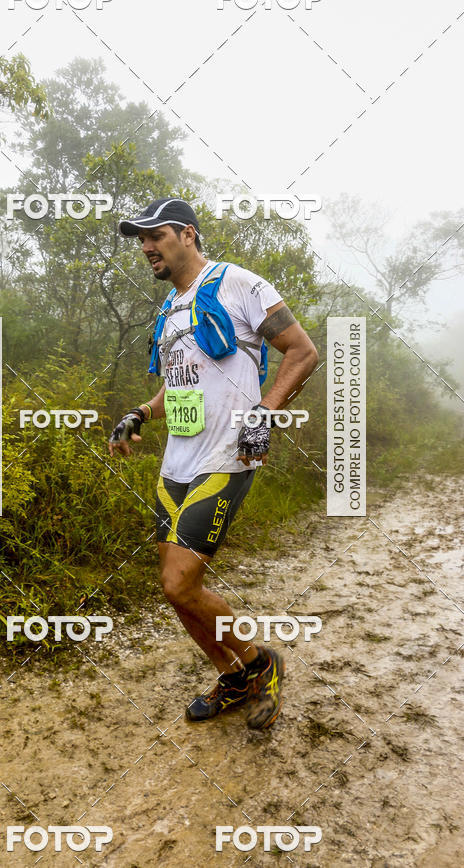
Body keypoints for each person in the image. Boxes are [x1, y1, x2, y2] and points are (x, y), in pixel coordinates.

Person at [109, 198, 318, 730]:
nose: (147, 248)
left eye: (155, 236)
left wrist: (263, 416)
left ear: (188, 234)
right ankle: (231, 679)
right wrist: (140, 413)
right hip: (177, 460)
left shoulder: (239, 284)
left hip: (228, 455)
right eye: (141, 240)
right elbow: (178, 382)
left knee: (181, 584)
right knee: (173, 587)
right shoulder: (170, 309)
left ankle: (260, 664)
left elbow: (302, 351)